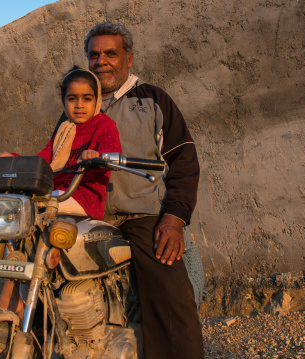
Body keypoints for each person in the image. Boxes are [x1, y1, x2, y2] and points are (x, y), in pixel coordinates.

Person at [55, 22, 204, 358]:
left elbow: (183, 160)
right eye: (94, 54)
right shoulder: (77, 105)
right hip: (86, 212)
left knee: (170, 288)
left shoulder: (153, 100)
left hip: (140, 215)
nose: (101, 61)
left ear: (129, 59)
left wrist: (174, 217)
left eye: (111, 53)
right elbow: (55, 158)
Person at [0, 66, 121, 220]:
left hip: (83, 197)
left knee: (30, 207)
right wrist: (13, 159)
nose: (79, 105)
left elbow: (112, 151)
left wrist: (97, 156)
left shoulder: (104, 125)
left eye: (87, 98)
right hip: (55, 192)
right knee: (14, 209)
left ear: (97, 100)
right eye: (72, 98)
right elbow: (42, 161)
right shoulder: (64, 129)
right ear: (63, 101)